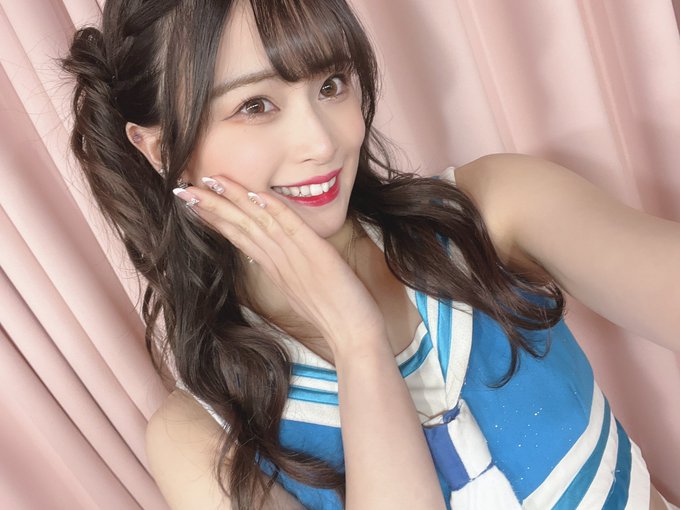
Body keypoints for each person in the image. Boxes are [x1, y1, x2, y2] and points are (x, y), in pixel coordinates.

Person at [61, 0, 679, 509]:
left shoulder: (490, 212)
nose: (322, 141)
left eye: (331, 85)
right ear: (158, 148)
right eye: (255, 106)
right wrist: (356, 339)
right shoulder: (201, 438)